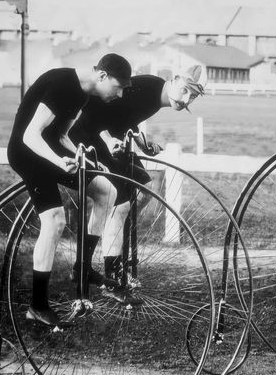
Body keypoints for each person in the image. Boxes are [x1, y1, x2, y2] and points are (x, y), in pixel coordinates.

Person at [6, 53, 132, 328]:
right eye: (119, 86)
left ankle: (83, 270)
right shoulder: (63, 84)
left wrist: (84, 158)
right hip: (27, 152)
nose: (121, 95)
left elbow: (61, 136)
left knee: (106, 192)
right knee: (54, 220)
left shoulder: (83, 94)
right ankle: (37, 306)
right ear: (102, 76)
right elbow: (30, 135)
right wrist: (58, 161)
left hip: (50, 151)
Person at [69, 65, 206, 303]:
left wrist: (144, 144)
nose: (185, 100)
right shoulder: (148, 88)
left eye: (192, 96)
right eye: (184, 90)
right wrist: (109, 138)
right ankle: (100, 272)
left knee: (142, 191)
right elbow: (99, 108)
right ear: (173, 80)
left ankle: (110, 259)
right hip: (88, 138)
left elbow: (125, 118)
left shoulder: (155, 96)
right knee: (120, 203)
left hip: (106, 141)